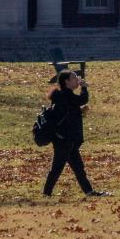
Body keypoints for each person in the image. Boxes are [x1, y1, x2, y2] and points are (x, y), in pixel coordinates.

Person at [43, 70, 109, 198]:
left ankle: (89, 192)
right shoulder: (65, 95)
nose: (77, 80)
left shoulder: (63, 96)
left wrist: (79, 111)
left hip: (68, 139)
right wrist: (84, 88)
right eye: (74, 78)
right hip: (64, 139)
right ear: (67, 82)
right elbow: (82, 99)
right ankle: (46, 193)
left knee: (78, 168)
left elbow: (69, 111)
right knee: (57, 168)